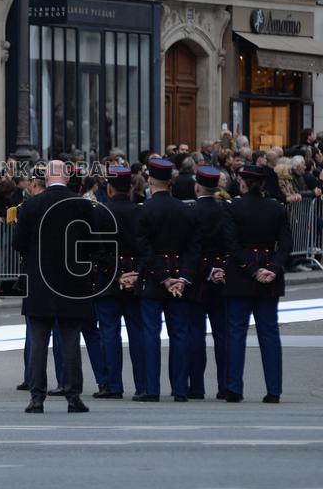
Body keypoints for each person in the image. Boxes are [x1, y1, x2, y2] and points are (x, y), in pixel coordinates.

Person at [13, 160, 96, 414]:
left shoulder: (31, 205)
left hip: (39, 280)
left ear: (46, 179)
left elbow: (18, 243)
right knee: (70, 339)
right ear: (68, 178)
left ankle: (37, 397)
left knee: (38, 340)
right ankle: (73, 396)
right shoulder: (82, 205)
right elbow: (90, 244)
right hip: (72, 281)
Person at [222, 164, 291, 403]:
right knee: (269, 333)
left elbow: (231, 244)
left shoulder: (234, 208)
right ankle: (274, 390)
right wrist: (272, 268)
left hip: (242, 274)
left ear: (243, 182)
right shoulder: (277, 208)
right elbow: (286, 245)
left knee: (236, 332)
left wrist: (252, 268)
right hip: (269, 272)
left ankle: (233, 388)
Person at [134, 158, 200, 402]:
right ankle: (180, 388)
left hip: (153, 278)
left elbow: (144, 248)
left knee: (151, 333)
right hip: (179, 275)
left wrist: (162, 277)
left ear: (150, 181)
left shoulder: (145, 210)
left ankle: (152, 389)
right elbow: (194, 248)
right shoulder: (185, 210)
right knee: (180, 333)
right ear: (170, 182)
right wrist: (181, 277)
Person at [91, 166, 144, 399]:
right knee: (137, 333)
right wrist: (134, 273)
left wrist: (116, 274)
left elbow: (96, 250)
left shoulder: (100, 211)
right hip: (135, 278)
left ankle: (113, 385)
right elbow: (146, 248)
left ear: (109, 188)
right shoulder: (140, 211)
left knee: (109, 333)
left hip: (108, 278)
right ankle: (143, 385)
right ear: (131, 186)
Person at [185, 166, 230, 400]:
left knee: (196, 334)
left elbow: (191, 250)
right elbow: (231, 245)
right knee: (222, 335)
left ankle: (196, 386)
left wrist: (207, 269)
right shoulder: (225, 210)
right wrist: (220, 269)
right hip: (221, 276)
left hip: (197, 277)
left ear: (196, 187)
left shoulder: (191, 212)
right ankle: (225, 385)